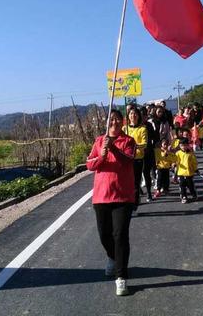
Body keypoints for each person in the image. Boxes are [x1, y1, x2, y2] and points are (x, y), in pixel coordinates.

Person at [86, 109, 136, 296]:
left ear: (122, 122)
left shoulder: (128, 141)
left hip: (123, 197)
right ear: (106, 122)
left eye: (117, 119)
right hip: (101, 196)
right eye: (111, 119)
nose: (114, 122)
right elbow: (90, 164)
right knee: (104, 235)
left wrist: (114, 148)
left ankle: (121, 277)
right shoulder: (99, 141)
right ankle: (113, 257)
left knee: (120, 235)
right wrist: (102, 155)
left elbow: (128, 161)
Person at [124, 107, 149, 210]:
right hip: (126, 159)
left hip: (137, 159)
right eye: (130, 114)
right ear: (128, 116)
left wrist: (134, 146)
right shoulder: (125, 128)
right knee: (125, 182)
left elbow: (144, 144)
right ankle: (127, 201)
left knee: (135, 182)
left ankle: (134, 203)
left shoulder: (142, 129)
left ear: (138, 116)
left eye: (135, 114)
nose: (133, 116)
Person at [174, 137, 198, 203]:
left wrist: (196, 169)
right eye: (182, 145)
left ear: (188, 145)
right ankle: (184, 196)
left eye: (185, 145)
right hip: (181, 173)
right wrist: (174, 164)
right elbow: (175, 160)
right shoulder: (178, 153)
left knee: (191, 186)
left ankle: (194, 194)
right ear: (179, 146)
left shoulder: (191, 153)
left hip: (189, 173)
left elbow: (194, 162)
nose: (183, 147)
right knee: (182, 186)